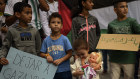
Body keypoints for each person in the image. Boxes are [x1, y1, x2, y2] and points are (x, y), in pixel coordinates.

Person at [108, 1, 140, 79]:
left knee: (129, 77)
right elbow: (108, 40)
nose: (125, 9)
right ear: (115, 10)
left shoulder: (132, 22)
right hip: (114, 58)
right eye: (122, 7)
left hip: (129, 58)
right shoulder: (111, 24)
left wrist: (138, 46)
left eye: (126, 6)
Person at [40, 12, 72, 79]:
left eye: (58, 22)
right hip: (51, 71)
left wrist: (61, 60)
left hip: (64, 70)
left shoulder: (64, 39)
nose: (56, 24)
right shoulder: (46, 40)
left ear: (61, 25)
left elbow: (70, 54)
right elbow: (41, 53)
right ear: (49, 25)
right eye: (53, 22)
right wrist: (47, 55)